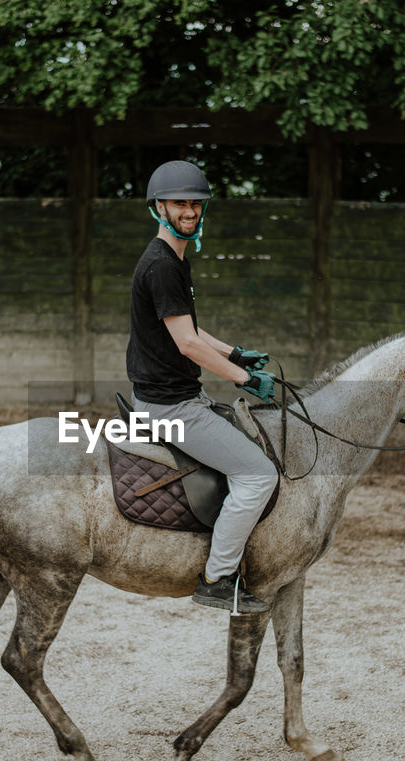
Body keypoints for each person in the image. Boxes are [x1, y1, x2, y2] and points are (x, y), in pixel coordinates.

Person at [126, 160, 279, 614]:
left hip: (176, 396)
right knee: (258, 475)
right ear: (158, 207)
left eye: (195, 203)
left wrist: (235, 353)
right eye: (180, 203)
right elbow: (188, 345)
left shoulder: (174, 259)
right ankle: (217, 578)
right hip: (170, 408)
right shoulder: (161, 265)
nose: (189, 210)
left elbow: (190, 329)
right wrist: (245, 380)